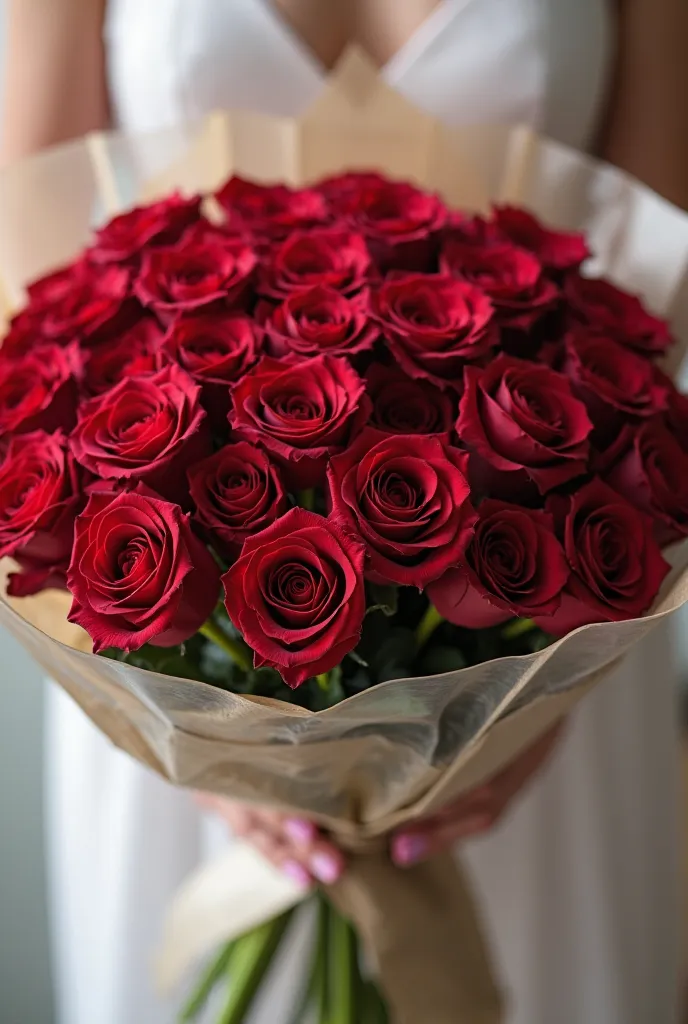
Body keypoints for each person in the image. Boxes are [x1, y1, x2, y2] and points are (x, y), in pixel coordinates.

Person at [2, 1, 688, 1022]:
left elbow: (653, 278)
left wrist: (539, 699)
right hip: (174, 682)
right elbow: (33, 277)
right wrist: (182, 724)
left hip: (548, 649)